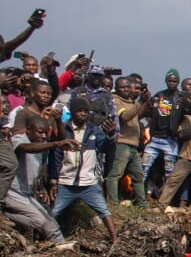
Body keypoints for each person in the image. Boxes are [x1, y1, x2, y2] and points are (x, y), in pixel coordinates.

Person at [49, 97, 118, 243]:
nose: (83, 114)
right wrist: (54, 181)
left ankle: (115, 239)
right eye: (80, 111)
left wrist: (110, 136)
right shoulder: (65, 129)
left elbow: (105, 148)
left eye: (86, 111)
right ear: (73, 112)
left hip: (88, 183)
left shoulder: (94, 130)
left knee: (104, 211)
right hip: (66, 181)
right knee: (54, 212)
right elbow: (55, 156)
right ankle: (46, 239)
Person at [3, 116, 65, 242]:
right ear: (28, 130)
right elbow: (26, 148)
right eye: (39, 132)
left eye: (45, 133)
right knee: (47, 225)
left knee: (49, 222)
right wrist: (56, 144)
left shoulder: (40, 145)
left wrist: (41, 187)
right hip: (12, 192)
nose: (43, 137)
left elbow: (37, 168)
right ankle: (66, 251)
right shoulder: (19, 139)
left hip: (26, 194)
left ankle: (6, 215)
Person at [107, 76, 148, 207]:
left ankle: (142, 203)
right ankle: (113, 204)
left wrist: (143, 100)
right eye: (122, 87)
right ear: (117, 88)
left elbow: (138, 114)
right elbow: (125, 116)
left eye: (127, 87)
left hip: (133, 145)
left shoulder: (130, 101)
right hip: (121, 143)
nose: (125, 89)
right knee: (115, 174)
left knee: (138, 175)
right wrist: (141, 101)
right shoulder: (115, 100)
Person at [143, 69, 183, 193]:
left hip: (170, 140)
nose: (172, 83)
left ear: (178, 82)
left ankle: (165, 200)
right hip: (155, 138)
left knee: (169, 173)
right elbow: (147, 111)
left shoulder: (181, 98)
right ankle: (137, 197)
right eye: (169, 81)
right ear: (166, 81)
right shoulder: (159, 96)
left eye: (174, 81)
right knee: (143, 168)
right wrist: (153, 122)